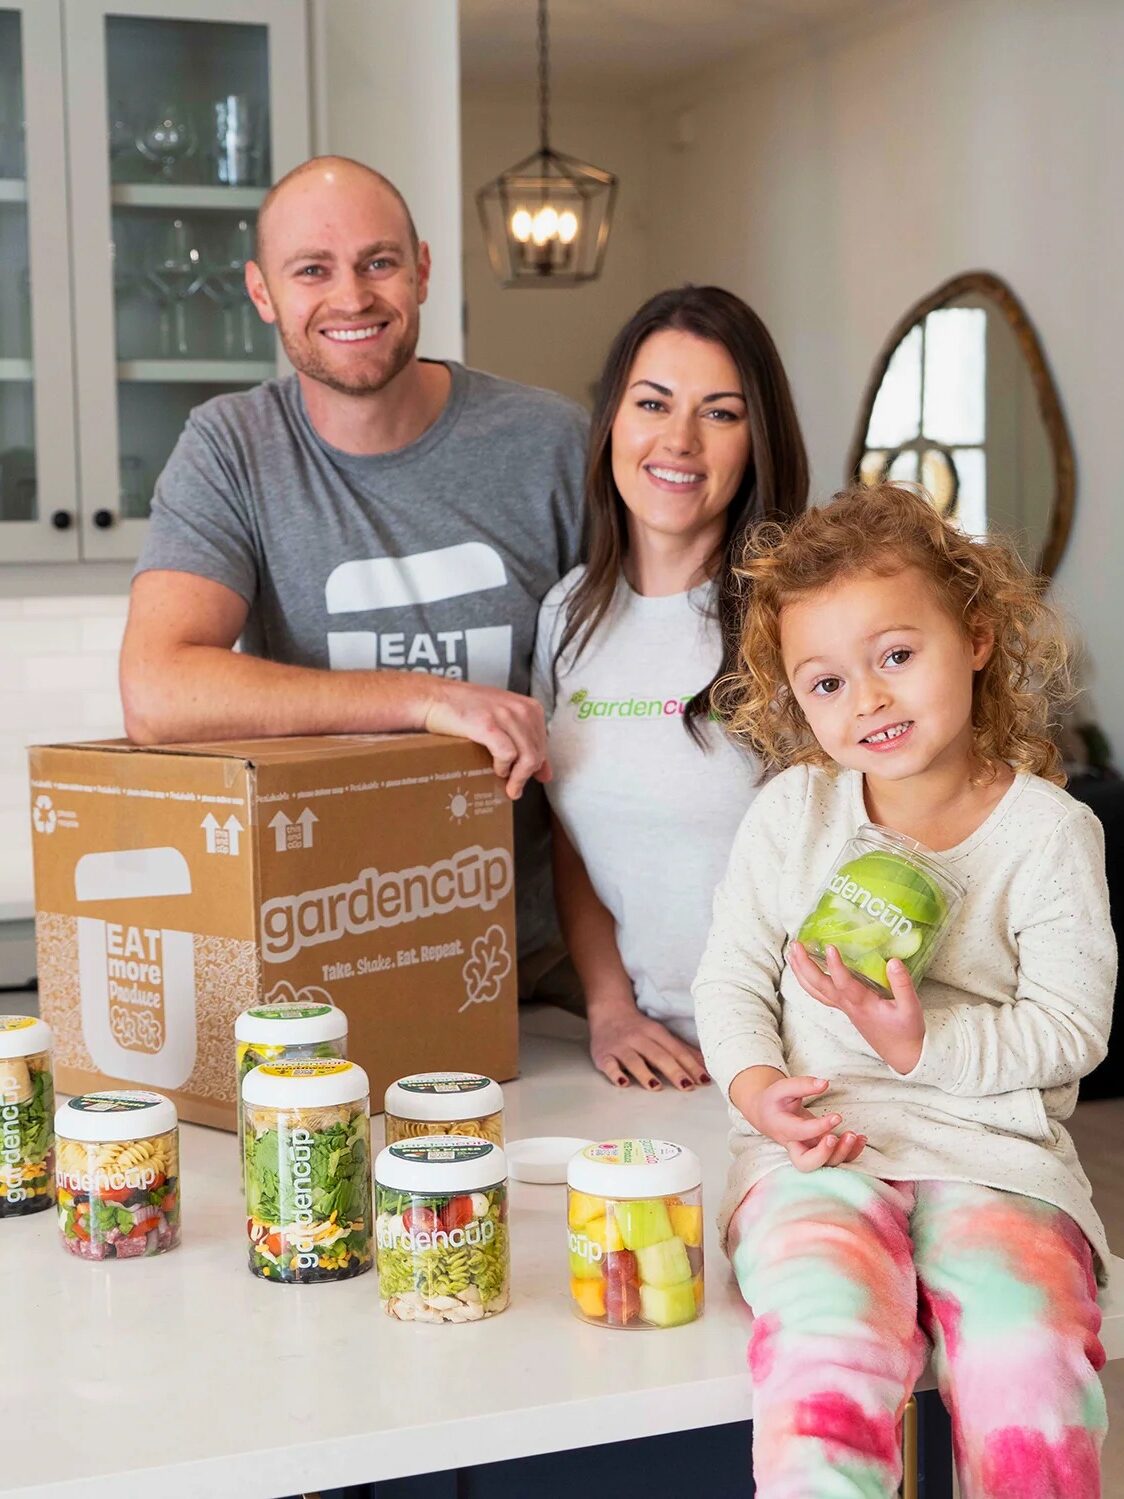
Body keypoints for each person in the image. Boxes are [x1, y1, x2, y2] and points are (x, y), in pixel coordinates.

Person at [694, 484, 1115, 1498]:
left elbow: (1069, 1028)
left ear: (972, 637)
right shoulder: (792, 812)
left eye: (895, 655)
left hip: (995, 1157)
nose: (867, 700)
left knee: (1027, 1363)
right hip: (818, 1152)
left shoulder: (1048, 836)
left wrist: (919, 1044)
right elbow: (731, 976)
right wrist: (757, 1090)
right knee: (826, 1352)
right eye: (826, 681)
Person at [119, 156, 588, 970]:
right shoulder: (230, 449)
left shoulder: (554, 443)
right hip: (334, 959)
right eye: (312, 270)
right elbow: (157, 693)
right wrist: (430, 699)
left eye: (379, 262)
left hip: (546, 965)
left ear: (423, 271)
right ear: (263, 292)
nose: (352, 297)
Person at [532, 286, 808, 1090]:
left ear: (759, 440)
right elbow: (573, 841)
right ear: (614, 420)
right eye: (653, 402)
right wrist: (612, 1008)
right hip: (657, 1059)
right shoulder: (567, 614)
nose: (679, 440)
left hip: (804, 1058)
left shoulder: (797, 612)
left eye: (721, 413)